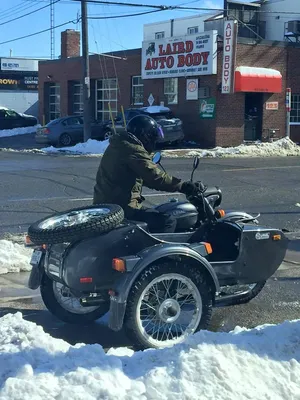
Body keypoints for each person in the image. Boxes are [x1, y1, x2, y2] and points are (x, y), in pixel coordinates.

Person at [93, 114, 199, 233]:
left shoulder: (119, 144)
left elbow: (141, 176)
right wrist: (183, 186)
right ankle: (157, 250)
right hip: (121, 207)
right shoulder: (133, 149)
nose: (153, 142)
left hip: (107, 204)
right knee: (167, 221)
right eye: (152, 138)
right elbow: (154, 177)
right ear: (145, 136)